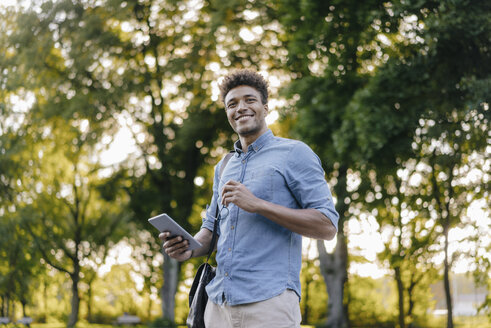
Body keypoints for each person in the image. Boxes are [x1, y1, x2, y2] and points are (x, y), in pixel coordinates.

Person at [160, 69, 339, 328]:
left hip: (270, 304)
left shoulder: (295, 153)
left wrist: (258, 205)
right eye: (232, 104)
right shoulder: (223, 166)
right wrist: (186, 248)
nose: (241, 108)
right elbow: (210, 232)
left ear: (265, 107)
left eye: (250, 100)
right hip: (217, 306)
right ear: (227, 114)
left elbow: (327, 226)